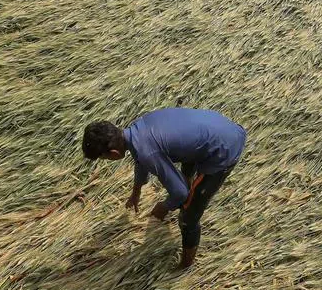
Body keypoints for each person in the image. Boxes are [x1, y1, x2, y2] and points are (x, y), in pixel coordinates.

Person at [81, 107, 246, 269]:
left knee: (188, 216)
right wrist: (136, 191)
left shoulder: (147, 152)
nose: (106, 160)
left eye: (103, 157)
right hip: (218, 126)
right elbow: (140, 159)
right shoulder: (138, 128)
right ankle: (187, 196)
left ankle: (185, 266)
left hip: (225, 148)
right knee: (185, 173)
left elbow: (180, 192)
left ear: (115, 153)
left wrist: (164, 206)